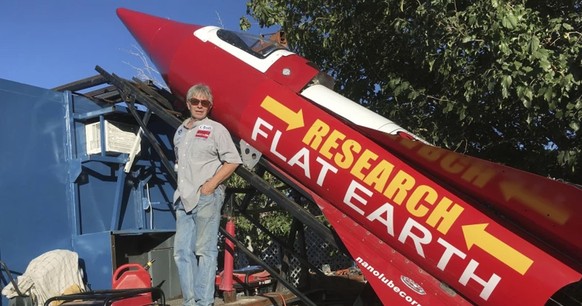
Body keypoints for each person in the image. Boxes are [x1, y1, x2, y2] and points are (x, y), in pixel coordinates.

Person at [172, 83, 242, 306]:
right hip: (183, 198)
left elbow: (233, 160)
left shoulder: (216, 129)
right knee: (182, 252)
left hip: (206, 198)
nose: (200, 106)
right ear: (188, 103)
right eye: (195, 101)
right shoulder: (180, 132)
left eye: (205, 103)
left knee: (205, 251)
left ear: (210, 106)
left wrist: (210, 186)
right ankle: (190, 302)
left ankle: (204, 302)